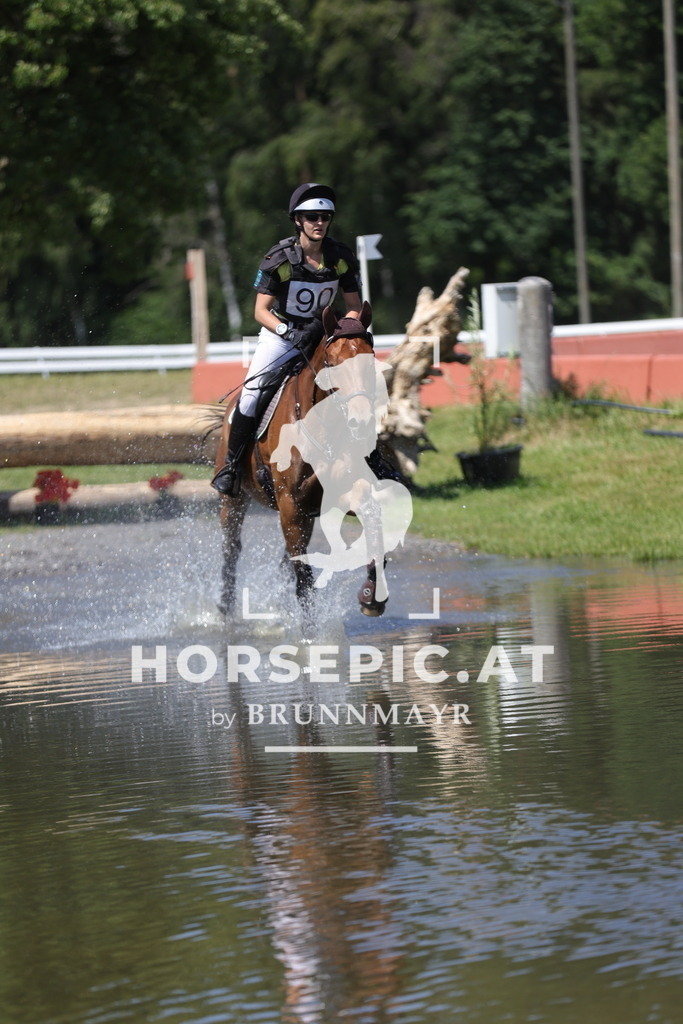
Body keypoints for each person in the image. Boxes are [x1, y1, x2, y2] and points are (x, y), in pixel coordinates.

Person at [211, 183, 362, 496]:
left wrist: (345, 331)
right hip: (282, 336)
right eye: (312, 217)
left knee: (358, 392)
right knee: (251, 395)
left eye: (324, 217)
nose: (319, 222)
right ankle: (232, 466)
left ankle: (371, 461)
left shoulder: (341, 258)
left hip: (324, 337)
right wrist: (287, 332)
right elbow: (260, 311)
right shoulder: (280, 259)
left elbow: (354, 307)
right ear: (298, 220)